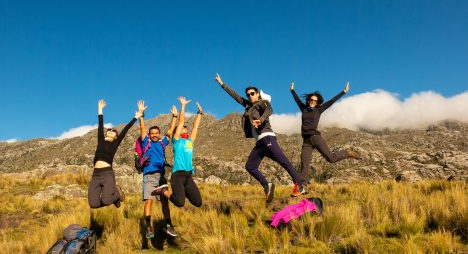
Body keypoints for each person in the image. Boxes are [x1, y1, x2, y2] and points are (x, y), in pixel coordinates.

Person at [215, 73, 303, 202]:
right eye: (248, 95)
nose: (250, 96)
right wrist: (222, 84)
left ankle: (299, 185)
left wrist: (261, 120)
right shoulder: (248, 106)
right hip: (259, 143)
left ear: (257, 94)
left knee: (283, 161)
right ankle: (267, 186)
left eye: (252, 94)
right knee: (250, 166)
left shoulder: (263, 102)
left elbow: (269, 110)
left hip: (267, 138)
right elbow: (236, 96)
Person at [290, 82, 360, 194]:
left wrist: (344, 92)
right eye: (311, 100)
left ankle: (347, 152)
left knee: (331, 158)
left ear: (318, 102)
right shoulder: (304, 109)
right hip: (306, 141)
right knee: (304, 163)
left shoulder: (319, 110)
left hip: (316, 137)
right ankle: (303, 187)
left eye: (315, 101)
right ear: (308, 100)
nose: (313, 102)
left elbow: (331, 101)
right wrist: (292, 90)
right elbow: (297, 100)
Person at [88, 99, 142, 208]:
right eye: (109, 130)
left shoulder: (115, 143)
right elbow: (100, 125)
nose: (110, 131)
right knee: (93, 204)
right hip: (96, 175)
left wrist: (136, 117)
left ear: (116, 136)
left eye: (113, 131)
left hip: (107, 173)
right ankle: (114, 197)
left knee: (107, 201)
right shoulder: (101, 140)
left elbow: (125, 130)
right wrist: (100, 109)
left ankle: (116, 194)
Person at [151, 97, 203, 209]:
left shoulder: (190, 141)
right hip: (178, 175)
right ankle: (163, 191)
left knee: (198, 203)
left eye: (185, 127)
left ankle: (183, 193)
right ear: (177, 132)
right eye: (183, 128)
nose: (185, 128)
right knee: (180, 203)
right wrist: (183, 105)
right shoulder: (176, 141)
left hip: (188, 175)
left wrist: (199, 113)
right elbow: (181, 121)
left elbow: (195, 127)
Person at [136, 100, 178, 238]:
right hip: (148, 176)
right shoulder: (145, 142)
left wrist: (174, 117)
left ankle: (168, 226)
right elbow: (142, 129)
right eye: (152, 133)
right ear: (149, 134)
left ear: (159, 134)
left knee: (165, 202)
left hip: (161, 176)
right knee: (149, 200)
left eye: (156, 133)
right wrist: (141, 114)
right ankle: (148, 228)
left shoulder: (162, 142)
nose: (154, 134)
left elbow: (171, 131)